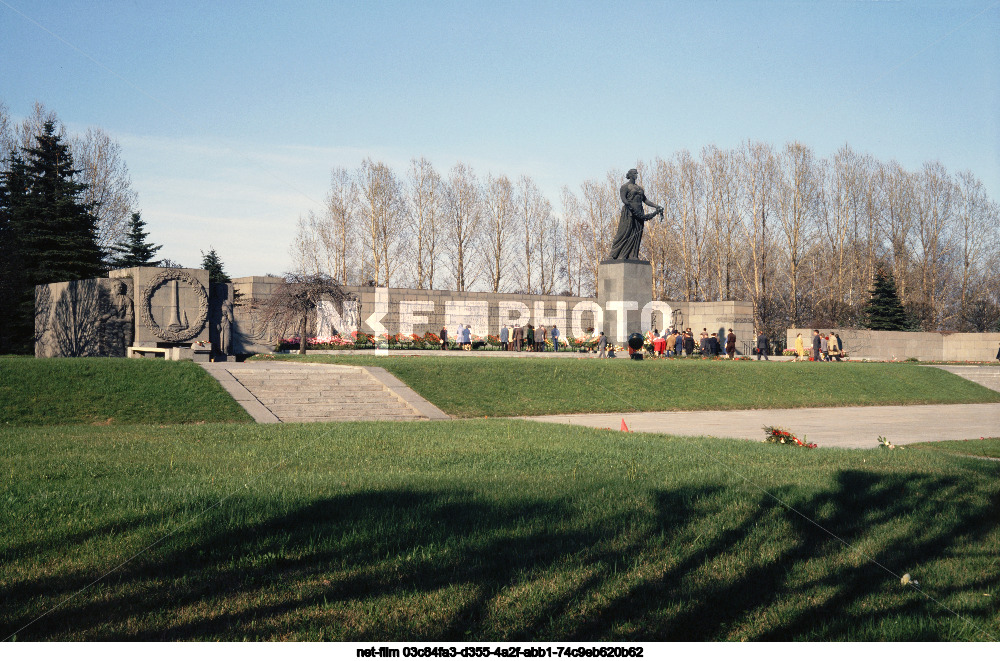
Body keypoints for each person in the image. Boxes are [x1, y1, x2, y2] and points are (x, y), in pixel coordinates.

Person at [607, 168, 664, 260]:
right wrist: (629, 206)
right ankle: (614, 254)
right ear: (630, 175)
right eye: (634, 173)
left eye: (636, 173)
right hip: (629, 212)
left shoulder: (639, 188)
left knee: (636, 234)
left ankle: (632, 255)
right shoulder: (625, 187)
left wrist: (656, 206)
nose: (636, 175)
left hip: (639, 212)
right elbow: (623, 199)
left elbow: (645, 200)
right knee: (625, 232)